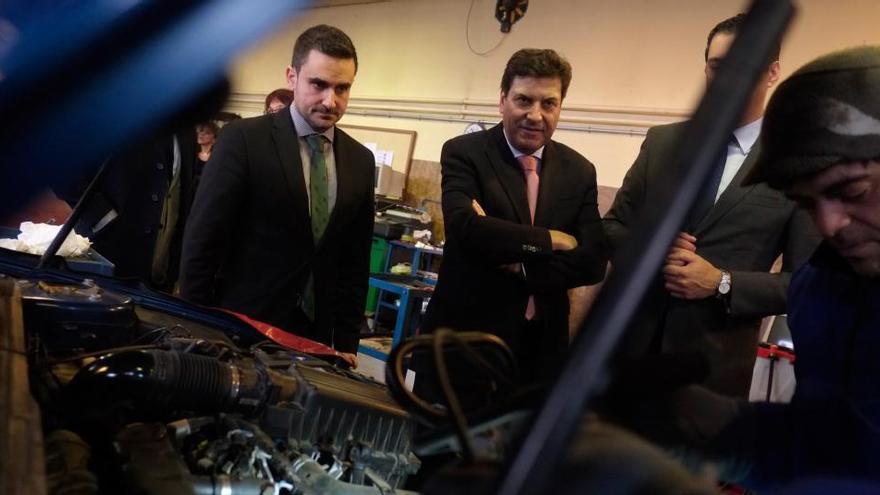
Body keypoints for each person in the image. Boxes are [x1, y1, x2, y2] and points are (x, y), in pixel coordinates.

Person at [622, 45, 880, 492]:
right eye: (805, 202)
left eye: (853, 191)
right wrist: (708, 424)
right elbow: (830, 443)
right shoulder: (824, 288)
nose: (829, 225)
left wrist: (721, 282)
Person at [602, 14, 821, 397]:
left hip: (714, 370)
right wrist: (651, 253)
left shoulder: (794, 163)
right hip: (628, 351)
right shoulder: (663, 144)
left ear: (772, 72)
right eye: (717, 67)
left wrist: (721, 282)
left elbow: (805, 284)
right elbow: (612, 228)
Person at [179, 25, 374, 368]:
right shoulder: (244, 140)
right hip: (240, 329)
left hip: (314, 338)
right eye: (319, 85)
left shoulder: (360, 161)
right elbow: (203, 239)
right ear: (292, 76)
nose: (331, 100)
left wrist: (346, 343)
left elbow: (354, 263)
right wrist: (196, 326)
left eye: (342, 88)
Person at [421, 48, 608, 383]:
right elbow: (467, 230)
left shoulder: (579, 171)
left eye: (548, 103)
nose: (535, 115)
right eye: (524, 100)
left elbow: (592, 261)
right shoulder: (465, 153)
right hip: (463, 347)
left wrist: (519, 262)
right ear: (503, 100)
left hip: (538, 354)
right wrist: (551, 239)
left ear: (560, 107)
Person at [55, 128, 199, 292]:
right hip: (105, 261)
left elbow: (182, 191)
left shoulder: (186, 129)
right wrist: (103, 218)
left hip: (160, 276)